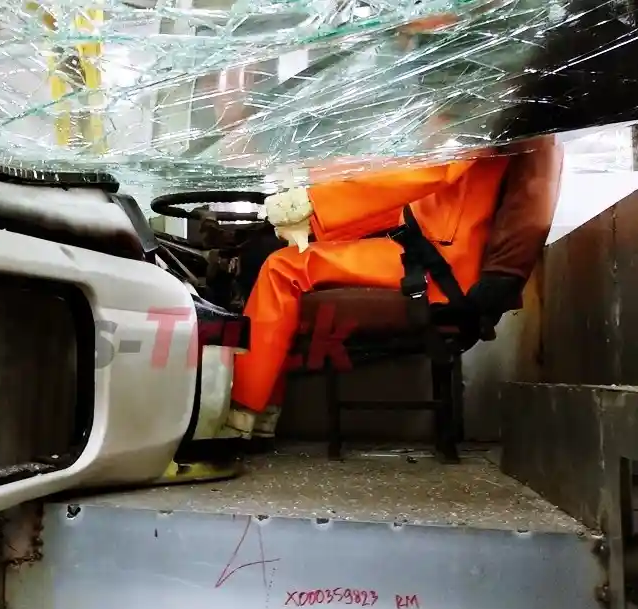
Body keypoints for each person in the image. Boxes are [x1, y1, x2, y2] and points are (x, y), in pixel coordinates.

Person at [226, 135, 564, 438]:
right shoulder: (496, 117)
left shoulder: (480, 121)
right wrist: (318, 210)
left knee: (282, 268)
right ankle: (263, 411)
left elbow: (429, 171)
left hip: (439, 267)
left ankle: (239, 413)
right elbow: (412, 196)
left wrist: (313, 199)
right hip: (431, 251)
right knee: (285, 256)